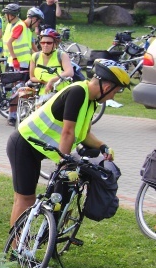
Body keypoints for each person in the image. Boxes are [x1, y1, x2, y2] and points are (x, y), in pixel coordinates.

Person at [7, 59, 128, 226]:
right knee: (25, 198)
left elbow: (83, 134)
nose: (113, 96)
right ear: (107, 87)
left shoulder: (91, 101)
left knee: (39, 196)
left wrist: (102, 146)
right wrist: (63, 163)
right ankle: (15, 249)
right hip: (24, 144)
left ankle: (35, 237)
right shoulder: (78, 92)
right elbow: (68, 131)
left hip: (38, 148)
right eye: (115, 92)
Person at [2, 4, 42, 126]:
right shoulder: (20, 26)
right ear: (33, 18)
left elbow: (32, 47)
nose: (37, 25)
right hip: (17, 63)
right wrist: (14, 58)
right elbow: (9, 43)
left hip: (25, 63)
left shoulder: (27, 30)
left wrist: (42, 55)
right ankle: (12, 116)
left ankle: (21, 110)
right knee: (18, 90)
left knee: (24, 88)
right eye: (38, 22)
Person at [29, 28, 74, 96]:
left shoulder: (61, 55)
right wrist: (45, 82)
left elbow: (70, 72)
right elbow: (32, 77)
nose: (45, 45)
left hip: (60, 93)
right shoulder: (35, 56)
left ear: (55, 44)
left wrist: (52, 80)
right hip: (41, 94)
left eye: (49, 43)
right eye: (43, 42)